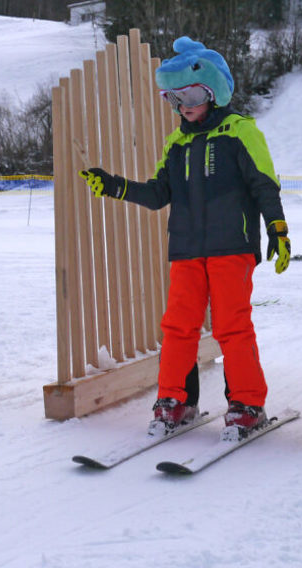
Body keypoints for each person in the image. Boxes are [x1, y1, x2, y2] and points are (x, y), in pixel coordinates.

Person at [78, 36, 290, 438]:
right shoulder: (176, 144)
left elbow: (264, 184)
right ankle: (175, 400)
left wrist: (276, 229)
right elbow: (159, 195)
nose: (184, 105)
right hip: (187, 249)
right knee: (178, 326)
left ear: (214, 91)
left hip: (232, 247)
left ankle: (247, 403)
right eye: (174, 98)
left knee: (231, 326)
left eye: (192, 93)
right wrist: (113, 185)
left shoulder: (241, 132)